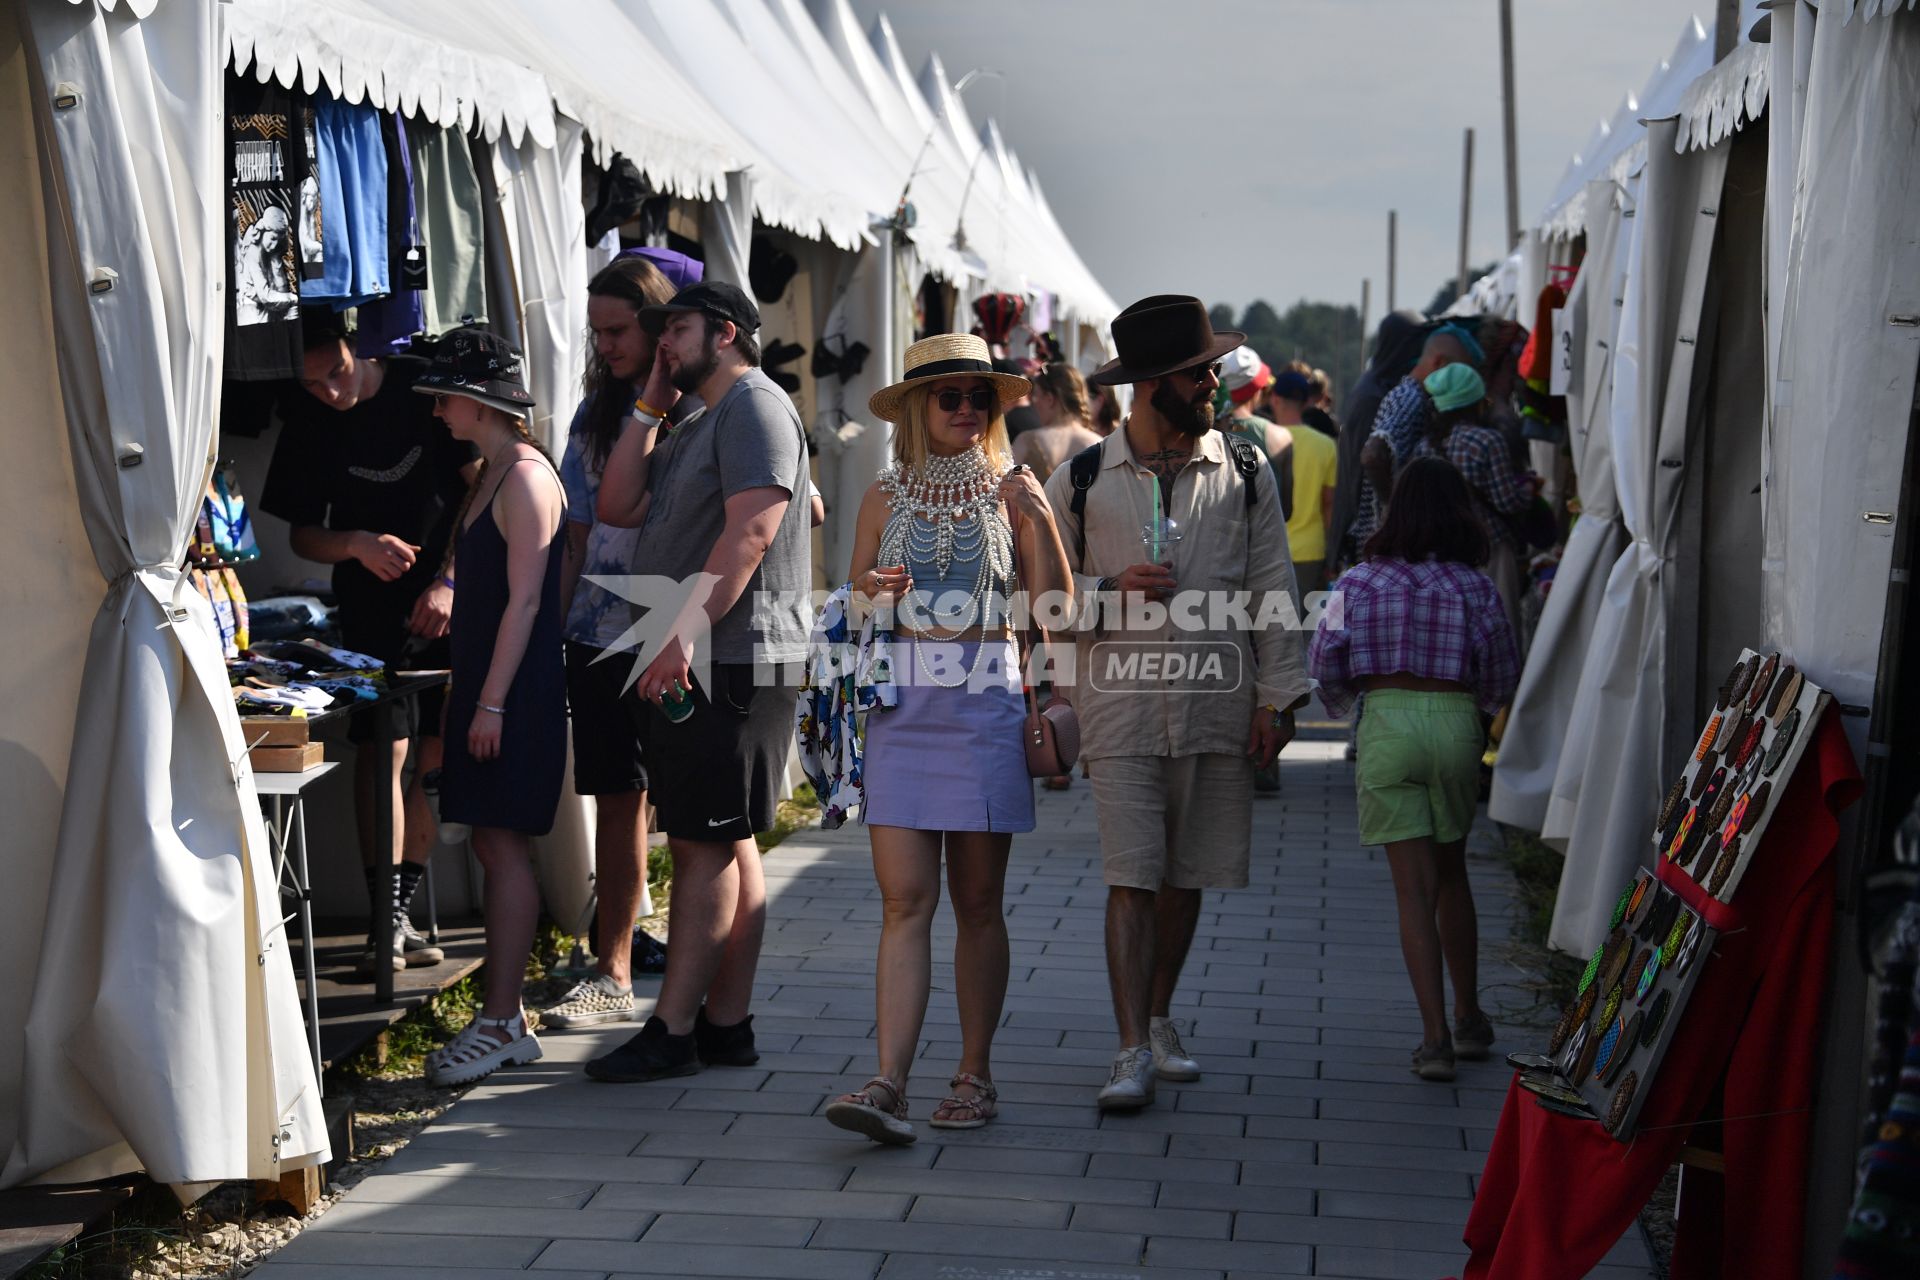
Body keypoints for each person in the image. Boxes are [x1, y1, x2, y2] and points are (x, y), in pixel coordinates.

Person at [1043, 295, 1311, 1111]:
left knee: (1185, 875)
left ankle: (1159, 1019)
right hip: (1117, 707)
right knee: (1133, 876)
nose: (1213, 386)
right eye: (1200, 375)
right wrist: (1106, 592)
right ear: (1154, 383)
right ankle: (1129, 1049)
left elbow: (1273, 585)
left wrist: (1279, 696)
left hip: (1215, 704)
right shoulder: (1082, 477)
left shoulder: (1244, 467)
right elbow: (1038, 595)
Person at [822, 334, 1071, 1144]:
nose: (967, 410)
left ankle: (974, 1073)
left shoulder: (1015, 491)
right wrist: (872, 591)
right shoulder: (883, 495)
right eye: (949, 397)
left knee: (976, 904)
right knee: (903, 901)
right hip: (902, 706)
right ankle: (889, 1078)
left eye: (979, 398)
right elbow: (855, 608)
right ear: (921, 411)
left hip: (986, 700)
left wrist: (1044, 524)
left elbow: (1056, 613)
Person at [584, 280, 811, 1083]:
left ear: (722, 332)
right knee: (725, 840)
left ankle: (673, 1029)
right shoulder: (698, 416)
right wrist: (648, 406)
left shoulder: (754, 404)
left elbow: (753, 529)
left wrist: (681, 632)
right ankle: (725, 1025)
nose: (660, 344)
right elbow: (614, 506)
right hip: (713, 653)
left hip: (732, 656)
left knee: (700, 842)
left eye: (673, 330)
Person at [261, 321, 477, 976]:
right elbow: (302, 534)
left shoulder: (421, 391)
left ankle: (401, 911)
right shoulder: (307, 415)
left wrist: (448, 579)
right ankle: (385, 924)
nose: (330, 392)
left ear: (363, 350)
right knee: (387, 747)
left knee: (435, 754)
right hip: (370, 609)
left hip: (451, 600)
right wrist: (354, 543)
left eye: (338, 373)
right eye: (312, 383)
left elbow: (484, 490)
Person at [1307, 457, 1519, 1083]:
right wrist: (1472, 708)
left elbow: (1324, 662)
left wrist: (1349, 704)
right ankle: (1470, 1016)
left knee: (1412, 891)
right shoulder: (1474, 586)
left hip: (1389, 724)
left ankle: (1433, 1043)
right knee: (1453, 875)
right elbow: (1503, 670)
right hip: (1455, 723)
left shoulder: (1358, 582)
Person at [414, 328, 568, 1086]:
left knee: (504, 845)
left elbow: (529, 598)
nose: (436, 410)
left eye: (443, 396)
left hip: (516, 690)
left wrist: (494, 704)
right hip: (489, 685)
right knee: (491, 844)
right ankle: (501, 1016)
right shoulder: (494, 472)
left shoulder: (526, 480)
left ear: (477, 401)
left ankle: (503, 1018)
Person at [539, 256, 682, 1029]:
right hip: (598, 631)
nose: (608, 344)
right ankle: (615, 967)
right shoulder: (596, 413)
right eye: (598, 333)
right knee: (617, 802)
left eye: (620, 329)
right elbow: (575, 536)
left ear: (660, 325)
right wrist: (551, 633)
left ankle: (694, 963)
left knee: (694, 809)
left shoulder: (703, 403)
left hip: (681, 630)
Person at [1412, 364, 1536, 638]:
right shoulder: (1488, 441)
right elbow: (1508, 502)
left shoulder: (1425, 447)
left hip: (1442, 550)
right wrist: (1529, 488)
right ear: (1476, 404)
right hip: (1490, 547)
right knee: (1500, 628)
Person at [1353, 327, 1476, 551]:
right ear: (1439, 362)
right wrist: (1395, 510)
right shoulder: (1409, 399)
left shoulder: (1412, 397)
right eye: (1454, 371)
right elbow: (1372, 455)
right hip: (1387, 542)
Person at [1330, 310, 1426, 572]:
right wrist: (1392, 508)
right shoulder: (1373, 394)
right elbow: (1364, 463)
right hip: (1367, 522)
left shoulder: (1379, 385)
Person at [1265, 370, 1339, 597]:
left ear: (1275, 399)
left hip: (1268, 549)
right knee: (1307, 627)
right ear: (1306, 402)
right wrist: (1331, 552)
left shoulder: (1263, 440)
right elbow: (1329, 504)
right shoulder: (1325, 445)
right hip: (1311, 551)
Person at [1012, 362, 1102, 482]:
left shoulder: (1025, 441)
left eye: (1036, 396)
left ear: (1050, 399)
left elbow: (1006, 491)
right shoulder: (1099, 445)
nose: (1034, 403)